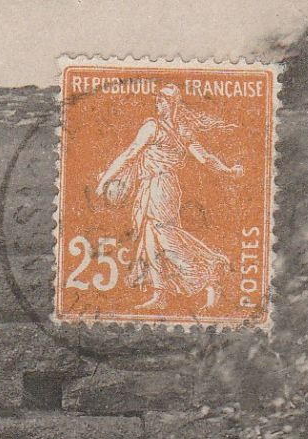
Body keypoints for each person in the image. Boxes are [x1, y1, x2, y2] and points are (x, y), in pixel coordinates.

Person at [94, 83, 244, 311]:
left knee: (165, 238)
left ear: (172, 104)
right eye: (157, 100)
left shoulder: (156, 128)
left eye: (161, 100)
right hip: (156, 186)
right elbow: (204, 158)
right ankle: (159, 293)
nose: (157, 104)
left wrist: (105, 179)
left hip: (160, 186)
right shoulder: (176, 130)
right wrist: (228, 170)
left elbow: (131, 153)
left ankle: (209, 275)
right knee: (150, 238)